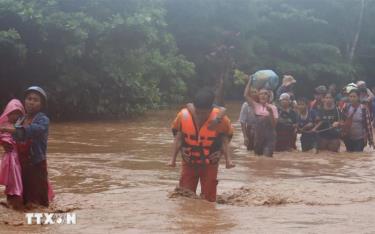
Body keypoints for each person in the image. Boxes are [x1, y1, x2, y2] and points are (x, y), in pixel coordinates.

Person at [168, 87, 235, 202]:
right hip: (189, 162)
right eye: (197, 112)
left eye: (203, 113)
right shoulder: (183, 116)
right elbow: (178, 138)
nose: (200, 115)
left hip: (210, 163)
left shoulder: (221, 119)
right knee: (185, 196)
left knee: (209, 200)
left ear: (211, 109)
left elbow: (225, 139)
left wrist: (225, 157)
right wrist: (174, 157)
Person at [0, 86, 54, 207]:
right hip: (21, 164)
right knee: (22, 200)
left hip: (36, 164)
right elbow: (13, 139)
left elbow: (32, 130)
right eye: (29, 99)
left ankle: (37, 223)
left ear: (41, 105)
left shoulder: (43, 120)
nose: (31, 102)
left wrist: (9, 129)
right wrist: (5, 144)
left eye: (36, 100)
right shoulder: (20, 120)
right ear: (24, 101)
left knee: (36, 203)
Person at [0, 99, 25, 209]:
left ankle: (16, 200)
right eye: (12, 113)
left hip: (19, 158)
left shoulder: (22, 127)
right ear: (7, 114)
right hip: (10, 157)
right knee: (12, 180)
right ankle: (13, 201)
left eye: (17, 114)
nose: (14, 116)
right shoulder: (4, 126)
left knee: (18, 179)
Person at [244, 81, 278, 157]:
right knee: (258, 158)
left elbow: (274, 125)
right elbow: (246, 95)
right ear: (258, 96)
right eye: (261, 94)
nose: (263, 95)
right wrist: (250, 81)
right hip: (258, 137)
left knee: (266, 159)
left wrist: (271, 113)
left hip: (269, 138)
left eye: (265, 94)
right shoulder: (255, 106)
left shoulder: (273, 108)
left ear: (269, 97)